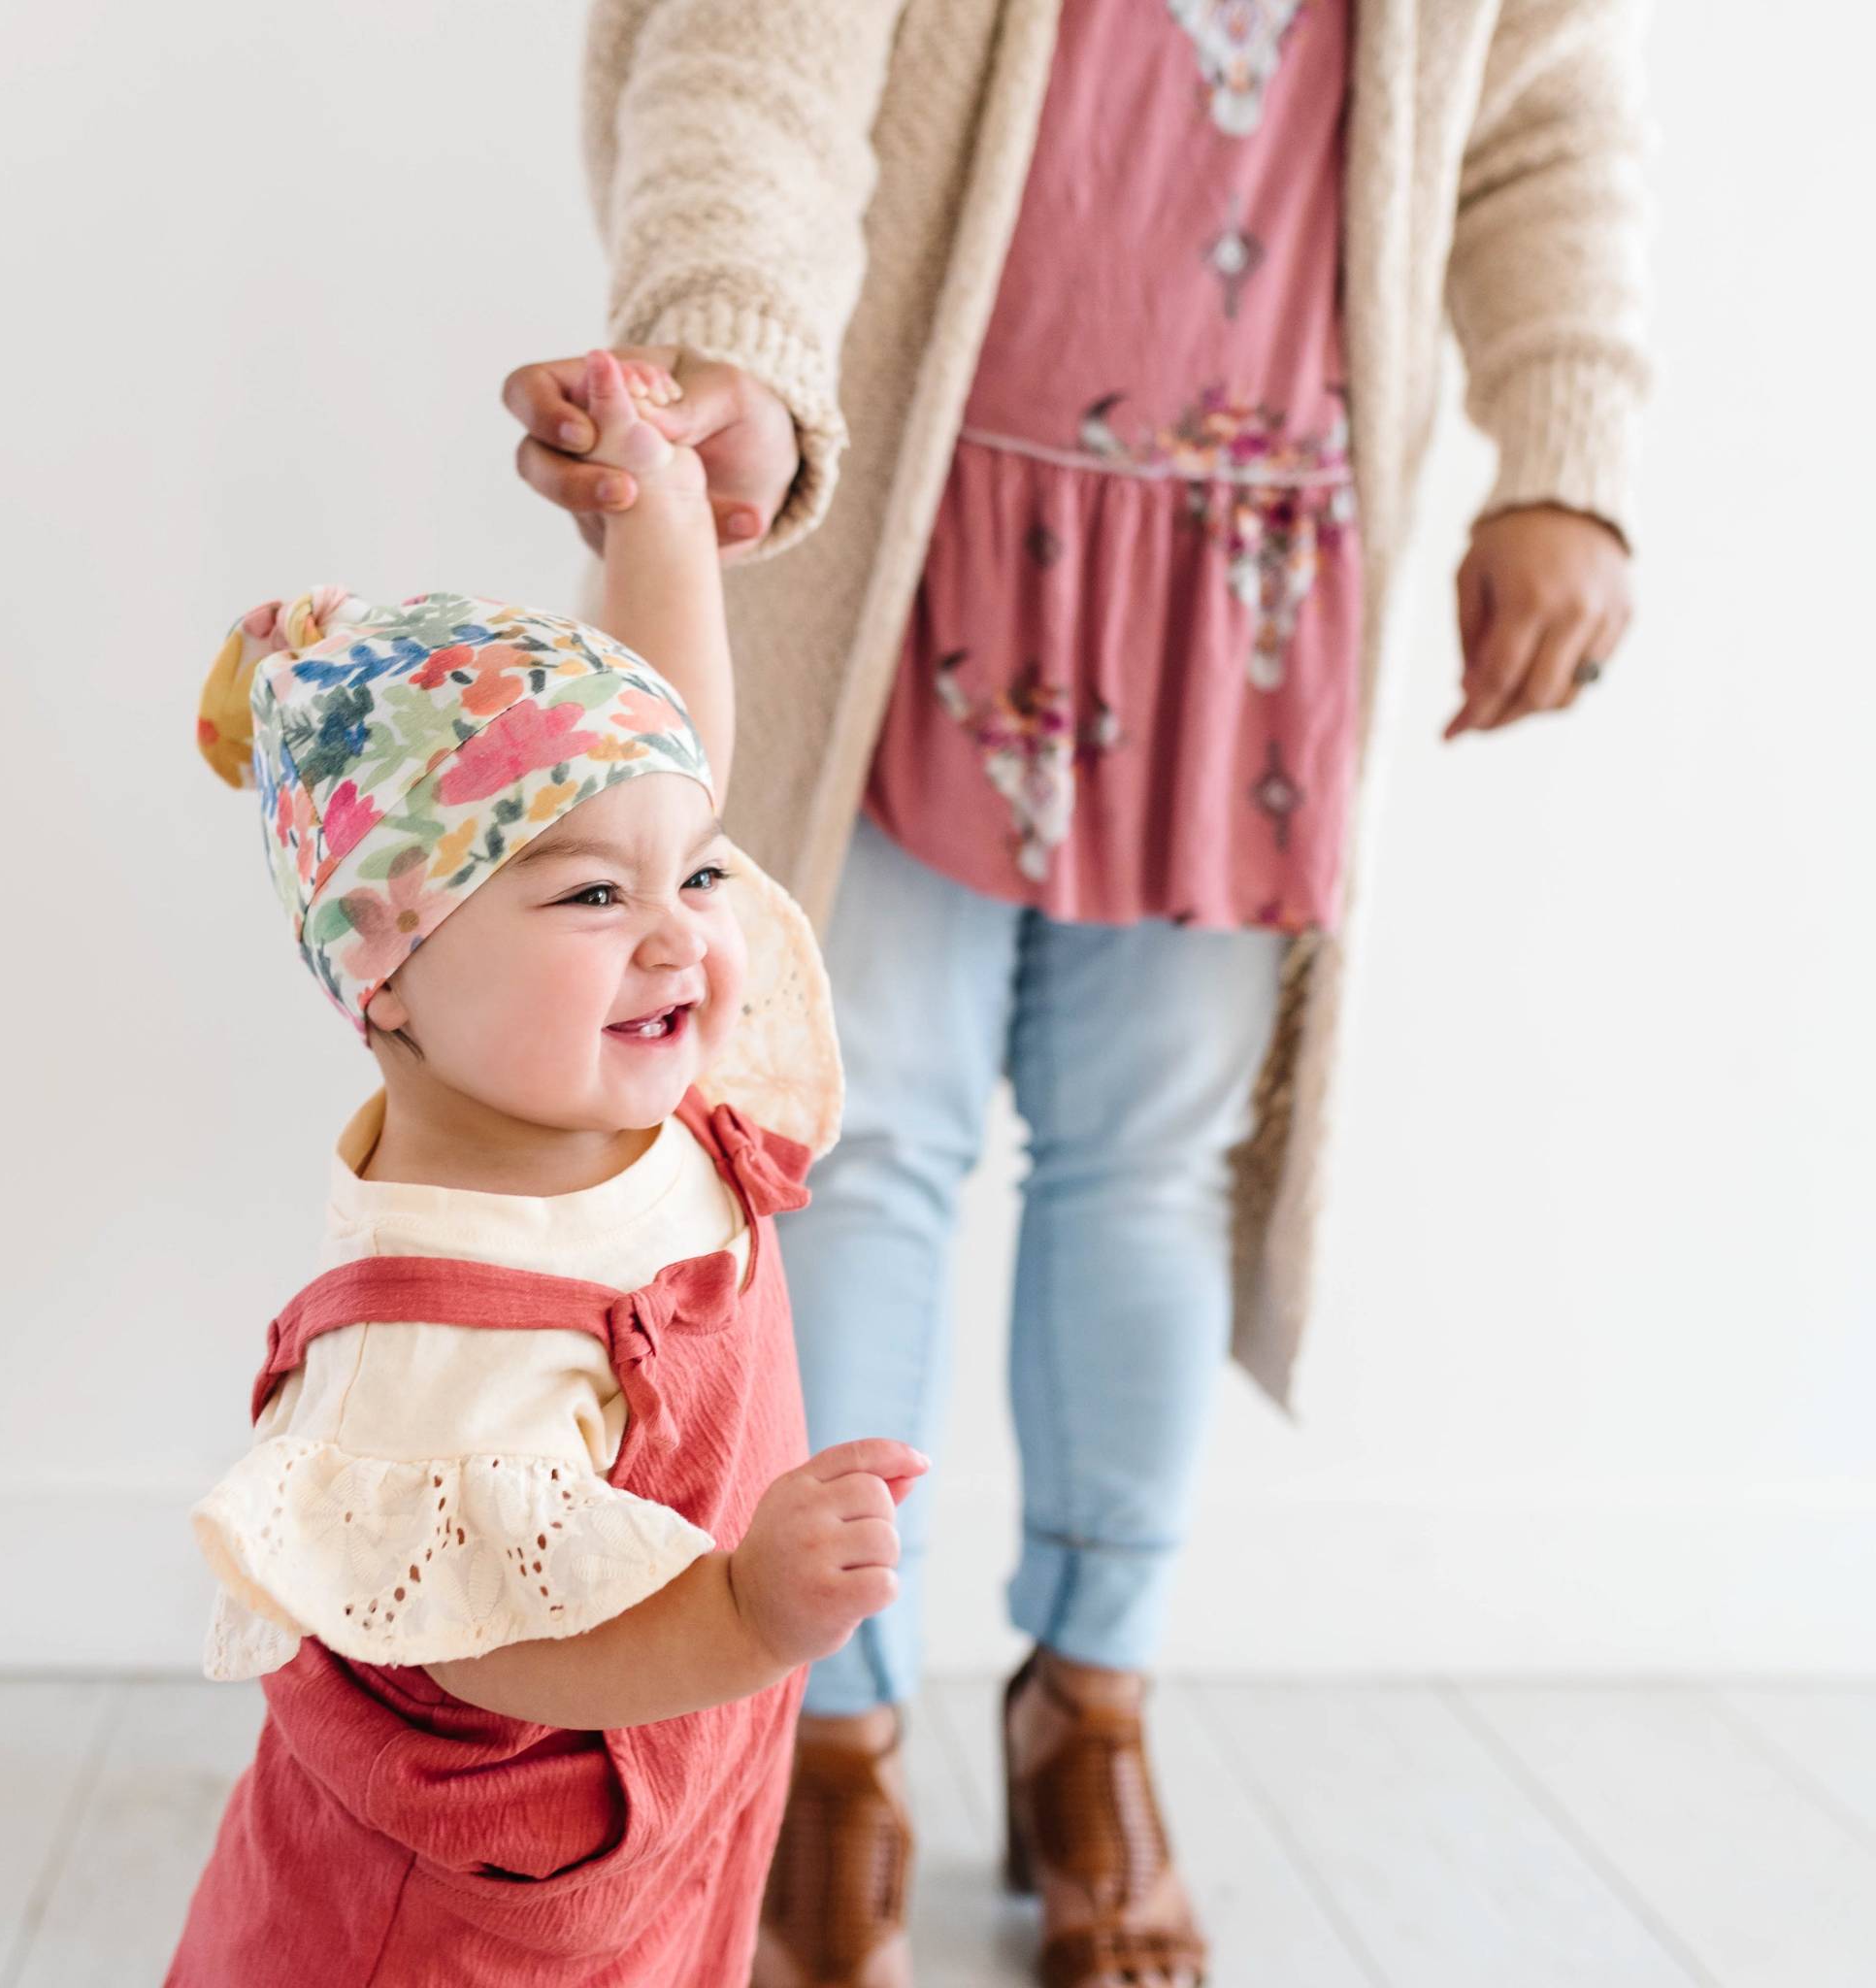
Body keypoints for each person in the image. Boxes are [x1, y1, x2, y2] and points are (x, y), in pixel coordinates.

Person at [506, 4, 1650, 1982]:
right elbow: (753, 66)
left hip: (1250, 582)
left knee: (1157, 1168)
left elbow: (1542, 115)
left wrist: (1567, 455)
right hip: (909, 542)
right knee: (843, 1143)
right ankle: (827, 1726)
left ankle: (1091, 1701)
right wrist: (730, 349)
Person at [167, 349, 927, 1988]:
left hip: (660, 1811)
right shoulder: (435, 1341)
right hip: (466, 1924)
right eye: (593, 897)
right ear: (389, 975)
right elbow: (506, 1642)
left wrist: (658, 507)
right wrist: (748, 1617)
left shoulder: (610, 1080)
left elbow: (668, 748)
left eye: (698, 877)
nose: (679, 935)